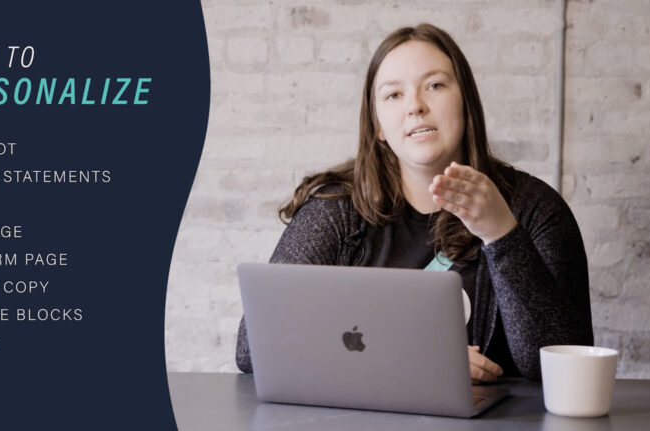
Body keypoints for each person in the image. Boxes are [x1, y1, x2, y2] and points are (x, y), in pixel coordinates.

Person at [235, 23, 593, 382]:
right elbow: (253, 348)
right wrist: (411, 356)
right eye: (394, 95)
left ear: (467, 104)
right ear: (377, 125)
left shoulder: (537, 210)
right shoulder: (336, 211)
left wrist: (502, 234)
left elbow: (561, 368)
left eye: (435, 86)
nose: (416, 107)